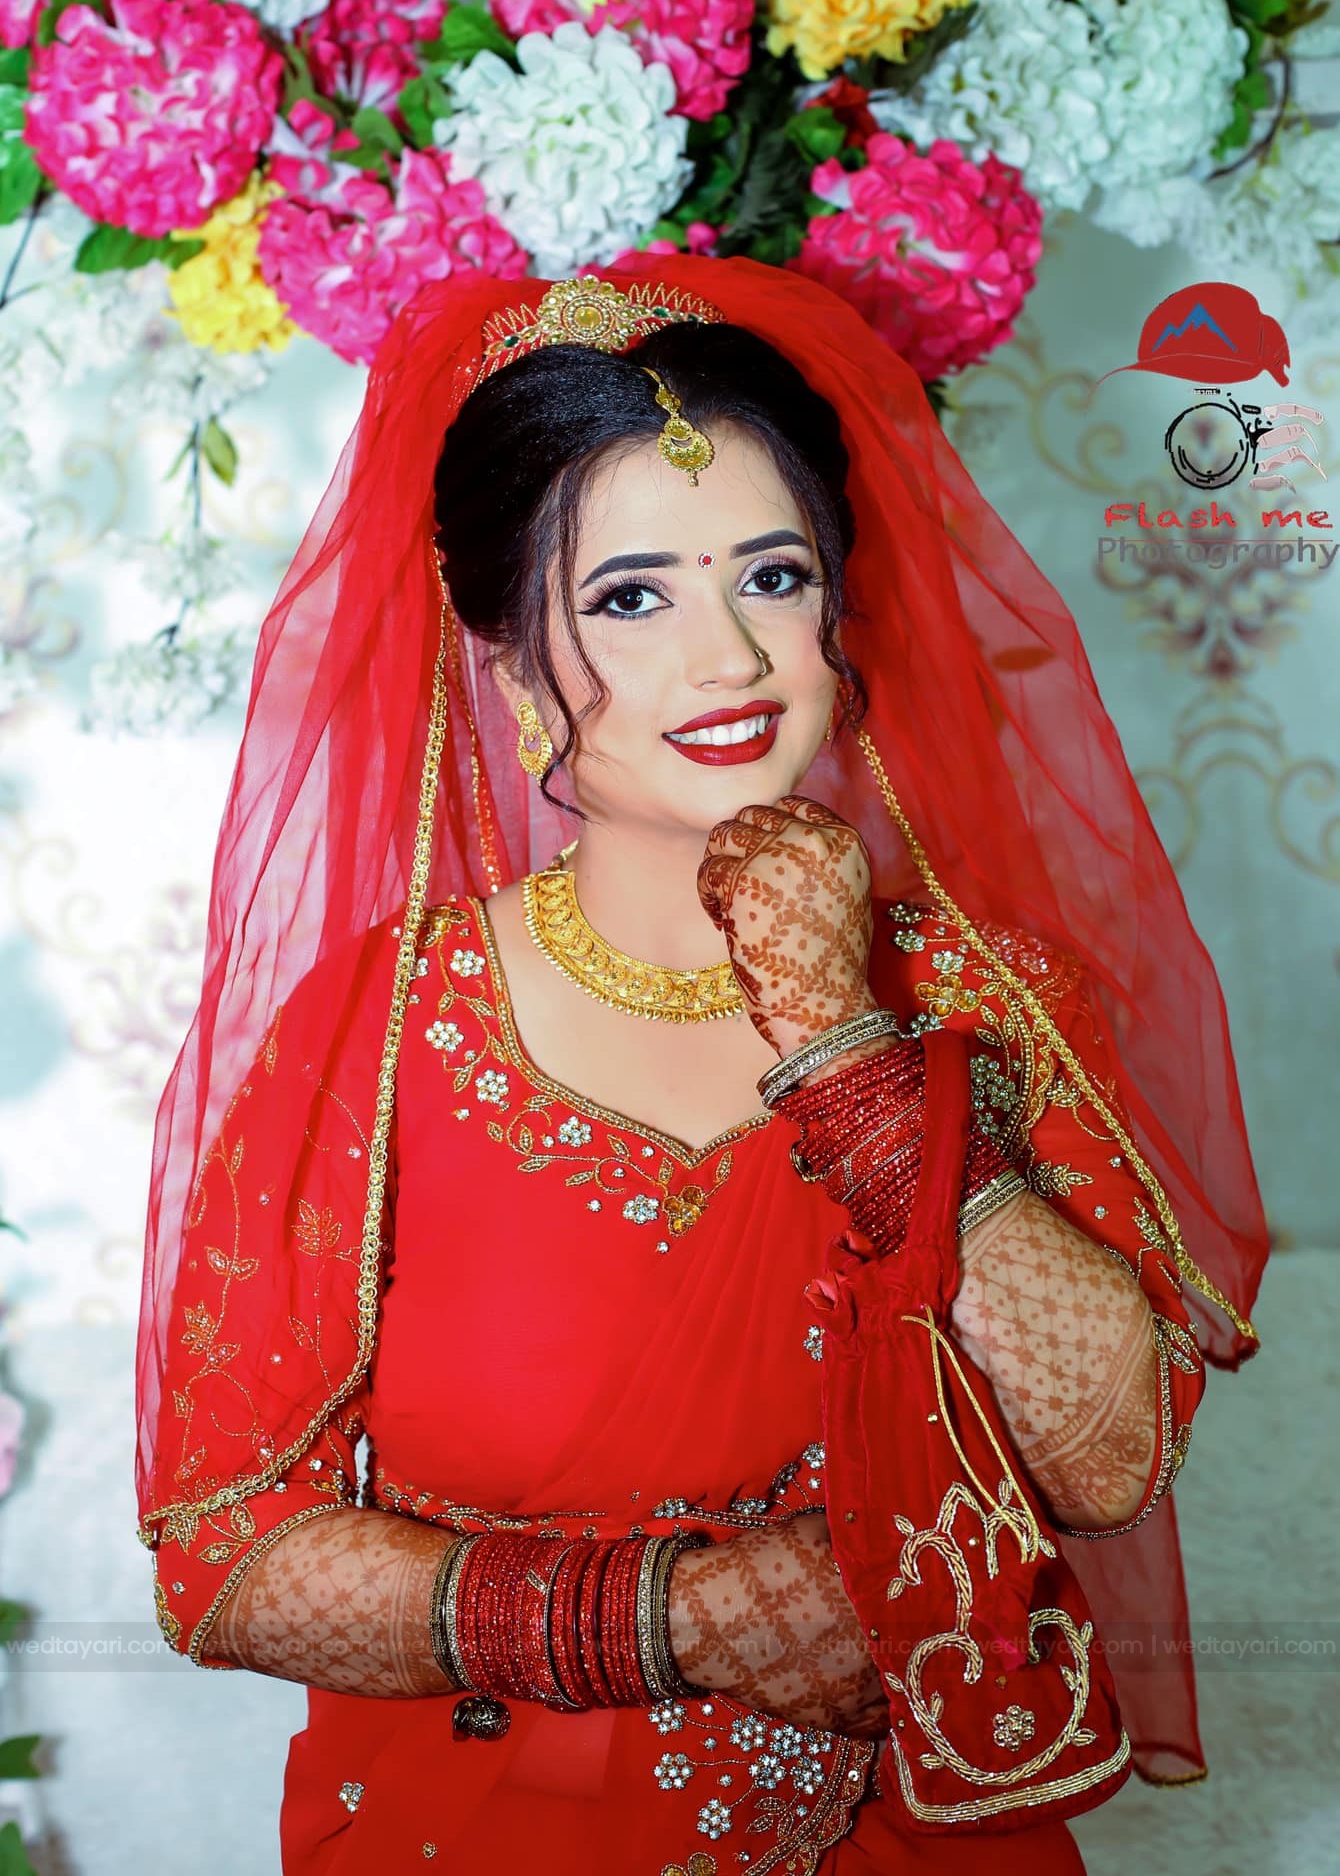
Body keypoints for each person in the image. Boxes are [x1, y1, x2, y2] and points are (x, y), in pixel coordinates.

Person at [134, 258, 1268, 1873]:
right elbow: (220, 1554)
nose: (728, 656)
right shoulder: (384, 1030)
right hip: (482, 1833)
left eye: (774, 576)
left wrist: (844, 1045)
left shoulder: (984, 999)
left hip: (908, 1833)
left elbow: (1110, 1460)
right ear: (511, 667)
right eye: (631, 598)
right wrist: (673, 1617)